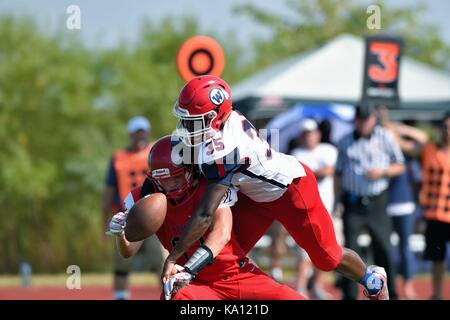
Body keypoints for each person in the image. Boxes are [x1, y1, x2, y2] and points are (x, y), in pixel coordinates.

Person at [163, 75, 390, 300]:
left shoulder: (225, 149)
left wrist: (174, 257)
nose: (186, 126)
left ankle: (373, 280)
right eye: (185, 119)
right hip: (254, 195)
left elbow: (204, 214)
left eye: (194, 120)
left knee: (327, 258)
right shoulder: (222, 125)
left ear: (216, 117)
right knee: (224, 256)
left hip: (291, 191)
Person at [108, 136, 305, 300]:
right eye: (163, 180)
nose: (171, 185)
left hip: (235, 275)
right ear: (154, 179)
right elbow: (129, 250)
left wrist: (189, 269)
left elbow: (222, 232)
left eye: (176, 177)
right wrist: (120, 234)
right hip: (195, 284)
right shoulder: (145, 200)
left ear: (190, 170)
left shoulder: (210, 187)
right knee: (176, 295)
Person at [335, 104, 405, 300]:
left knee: (383, 247)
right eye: (360, 119)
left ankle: (391, 293)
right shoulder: (344, 141)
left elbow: (400, 165)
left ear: (373, 119)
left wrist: (382, 171)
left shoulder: (385, 137)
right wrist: (336, 201)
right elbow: (338, 174)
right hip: (352, 202)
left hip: (377, 201)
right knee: (349, 251)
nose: (364, 123)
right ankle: (348, 295)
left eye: (367, 119)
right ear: (355, 120)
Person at [102, 115, 163, 300]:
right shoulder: (118, 158)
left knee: (158, 261)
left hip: (152, 214)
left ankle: (170, 295)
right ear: (130, 134)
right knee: (121, 264)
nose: (141, 135)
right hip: (126, 215)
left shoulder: (156, 150)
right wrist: (104, 219)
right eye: (137, 132)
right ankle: (121, 297)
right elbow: (108, 191)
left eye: (143, 131)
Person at [378, 107, 429, 299]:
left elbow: (422, 139)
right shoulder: (380, 143)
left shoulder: (404, 147)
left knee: (405, 247)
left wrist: (398, 128)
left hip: (404, 203)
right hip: (383, 202)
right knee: (384, 247)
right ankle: (388, 285)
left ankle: (408, 285)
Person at [290, 118, 338, 299]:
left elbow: (328, 171)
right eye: (305, 134)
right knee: (304, 254)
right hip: (304, 212)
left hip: (327, 210)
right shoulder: (296, 152)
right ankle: (301, 288)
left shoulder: (328, 150)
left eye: (311, 133)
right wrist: (315, 173)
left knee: (327, 252)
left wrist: (310, 173)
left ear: (318, 134)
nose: (308, 137)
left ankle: (317, 286)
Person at [419, 112, 450, 300]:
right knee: (436, 259)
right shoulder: (430, 149)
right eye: (445, 127)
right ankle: (437, 295)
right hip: (435, 214)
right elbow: (414, 141)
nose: (448, 131)